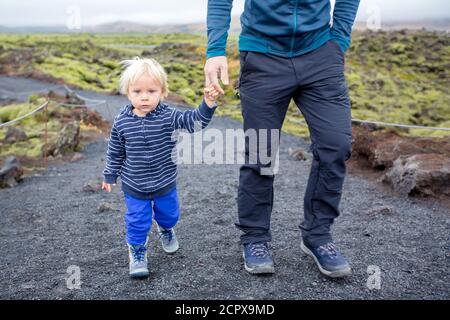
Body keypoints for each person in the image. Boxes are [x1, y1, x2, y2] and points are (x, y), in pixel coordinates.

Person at [205, 0, 360, 277]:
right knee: (261, 153)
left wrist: (339, 39)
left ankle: (317, 235)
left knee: (335, 145)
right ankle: (255, 237)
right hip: (262, 56)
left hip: (320, 53)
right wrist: (215, 49)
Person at [102, 57, 220, 278]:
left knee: (169, 215)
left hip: (164, 181)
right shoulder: (122, 121)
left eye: (151, 91)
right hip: (134, 184)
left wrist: (208, 103)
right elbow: (115, 150)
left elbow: (194, 122)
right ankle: (137, 253)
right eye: (137, 91)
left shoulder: (169, 115)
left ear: (162, 92)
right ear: (127, 92)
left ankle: (166, 228)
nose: (144, 97)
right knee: (137, 221)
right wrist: (109, 175)